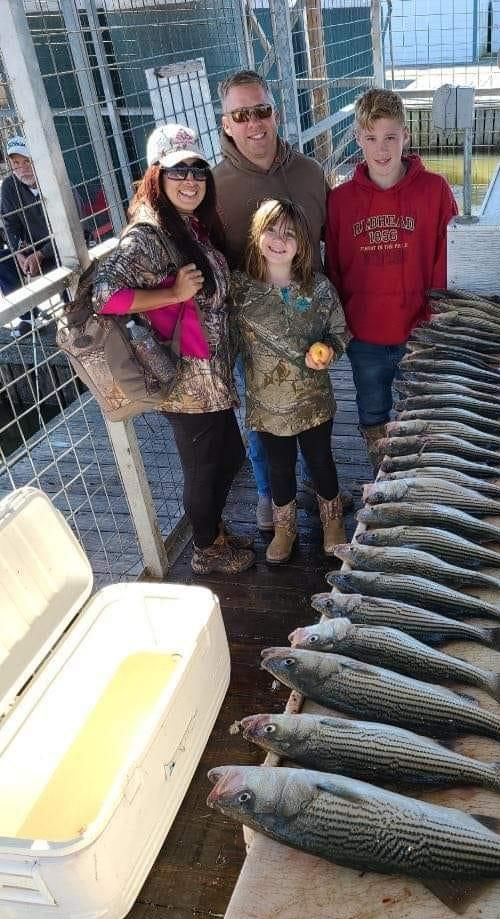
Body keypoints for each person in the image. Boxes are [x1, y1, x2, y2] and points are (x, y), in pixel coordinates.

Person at [93, 123, 254, 576]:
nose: (190, 180)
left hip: (211, 376)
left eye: (198, 170)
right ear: (156, 177)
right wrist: (172, 294)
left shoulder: (188, 225)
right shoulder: (146, 233)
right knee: (204, 469)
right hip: (185, 379)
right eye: (177, 170)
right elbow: (105, 295)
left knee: (231, 457)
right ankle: (206, 550)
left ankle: (213, 531)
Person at [213, 70, 337, 530]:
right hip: (255, 333)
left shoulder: (308, 172)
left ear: (275, 113)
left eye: (261, 110)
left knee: (313, 411)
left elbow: (330, 242)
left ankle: (316, 487)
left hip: (306, 323)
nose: (254, 123)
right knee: (264, 416)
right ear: (227, 124)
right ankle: (270, 494)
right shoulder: (213, 186)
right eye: (241, 115)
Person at [325, 88, 458, 470]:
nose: (381, 149)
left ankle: (422, 479)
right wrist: (342, 326)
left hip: (418, 331)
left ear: (406, 137)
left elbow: (445, 259)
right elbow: (334, 267)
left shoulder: (435, 190)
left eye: (390, 137)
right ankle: (382, 480)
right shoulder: (340, 200)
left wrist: (433, 320)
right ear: (357, 139)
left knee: (423, 413)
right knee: (372, 413)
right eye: (370, 138)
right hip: (364, 334)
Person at [230, 198, 350, 564]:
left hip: (313, 401)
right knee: (278, 467)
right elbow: (225, 339)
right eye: (271, 230)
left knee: (320, 460)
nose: (279, 240)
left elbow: (340, 333)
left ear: (303, 244)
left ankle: (332, 521)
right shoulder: (240, 290)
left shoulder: (319, 289)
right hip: (267, 408)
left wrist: (328, 350)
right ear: (256, 234)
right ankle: (285, 528)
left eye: (290, 235)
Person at [0, 136, 57, 335]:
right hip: (30, 248)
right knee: (2, 261)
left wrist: (41, 254)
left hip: (60, 246)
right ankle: (30, 317)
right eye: (16, 163)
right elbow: (9, 224)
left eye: (27, 161)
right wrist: (18, 253)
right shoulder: (9, 186)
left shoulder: (53, 179)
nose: (22, 168)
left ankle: (75, 314)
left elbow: (75, 227)